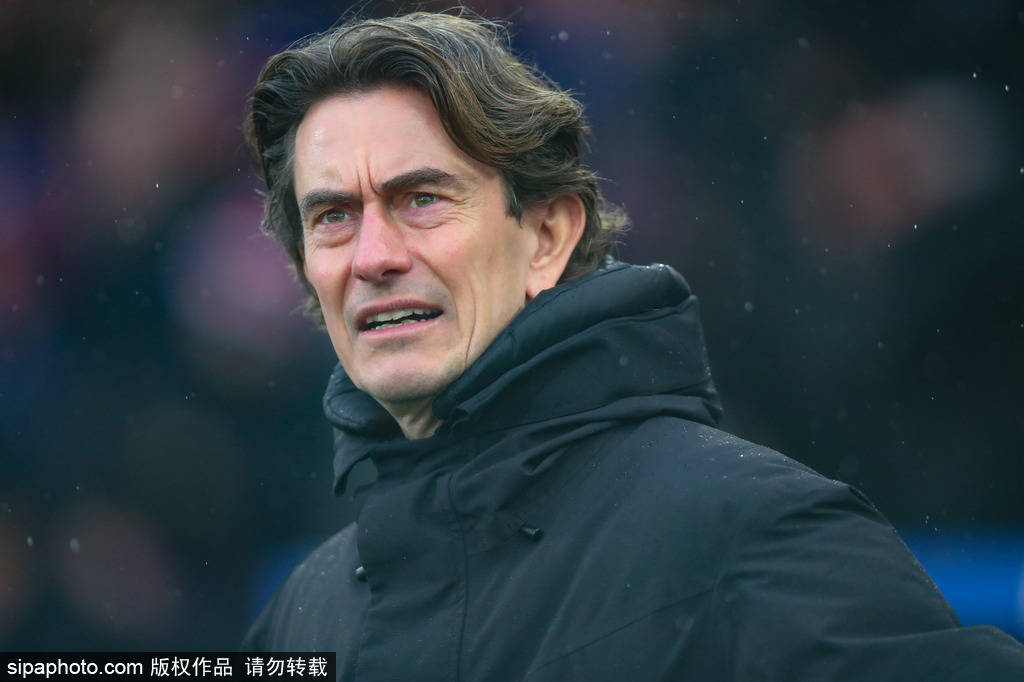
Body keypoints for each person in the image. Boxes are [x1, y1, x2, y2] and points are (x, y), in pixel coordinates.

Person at [240, 10, 1024, 680]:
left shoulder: (745, 533)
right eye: (333, 216)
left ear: (547, 236)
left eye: (421, 199)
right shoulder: (302, 617)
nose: (372, 256)